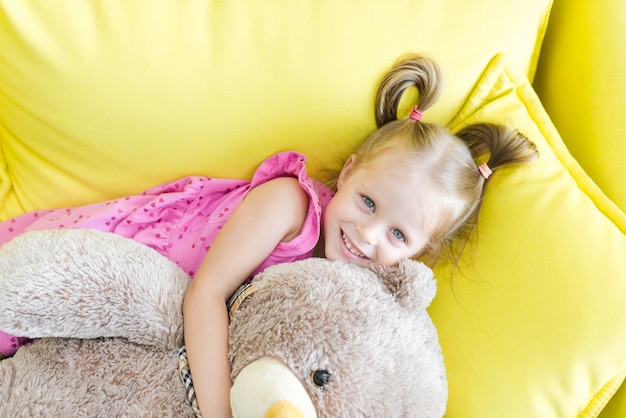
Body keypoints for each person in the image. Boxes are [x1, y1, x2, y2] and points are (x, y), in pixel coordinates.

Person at [0, 54, 538, 416]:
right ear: (347, 174)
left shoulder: (376, 292)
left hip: (163, 348)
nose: (367, 235)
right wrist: (219, 411)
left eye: (398, 234)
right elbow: (206, 292)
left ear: (423, 252)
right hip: (131, 264)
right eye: (366, 202)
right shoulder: (290, 205)